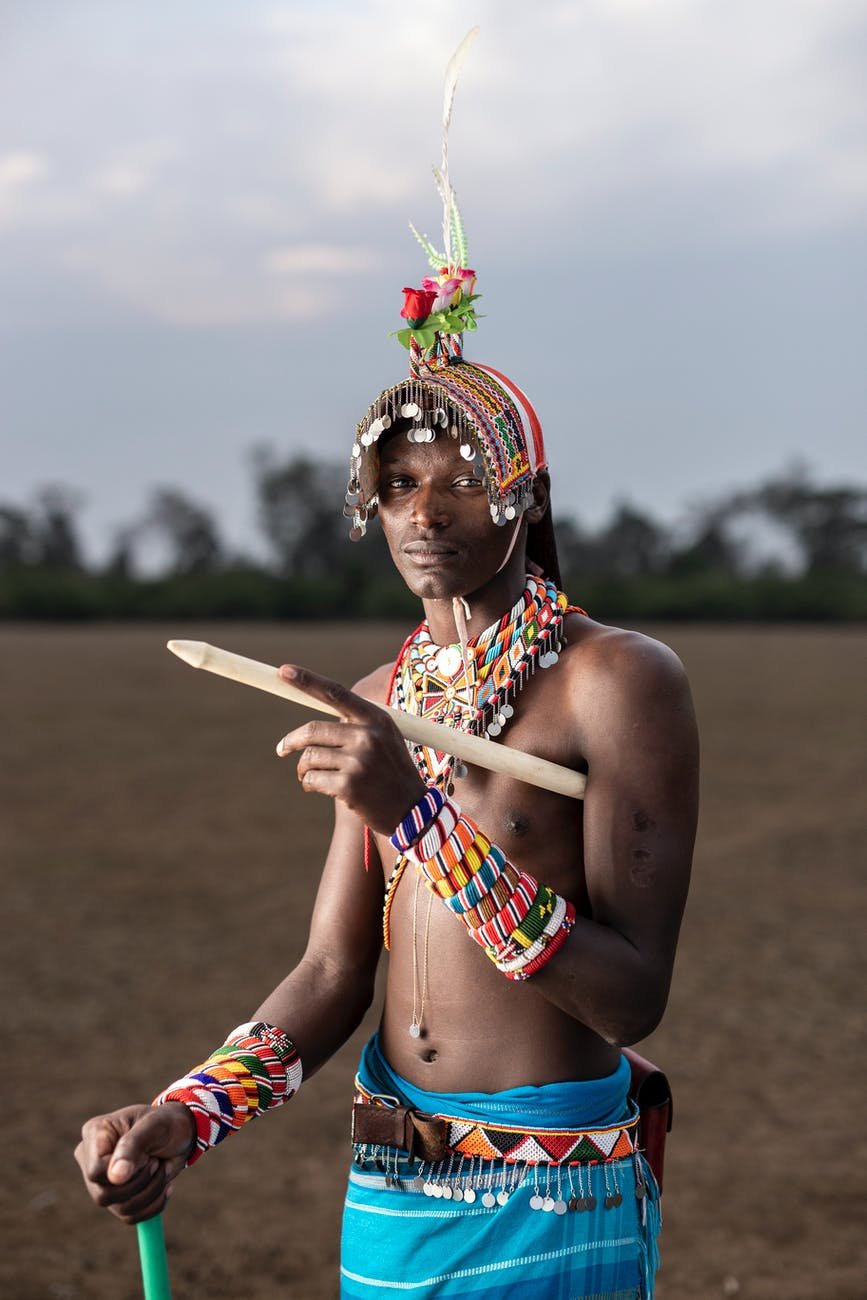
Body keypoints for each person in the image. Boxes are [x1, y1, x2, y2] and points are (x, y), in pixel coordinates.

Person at [74, 39, 698, 1299]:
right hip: (390, 1197)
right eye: (400, 486)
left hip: (553, 1198)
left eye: (460, 479)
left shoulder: (617, 682)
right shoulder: (384, 696)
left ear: (524, 493)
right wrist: (184, 1115)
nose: (425, 512)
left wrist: (414, 810)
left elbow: (631, 1001)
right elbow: (331, 975)